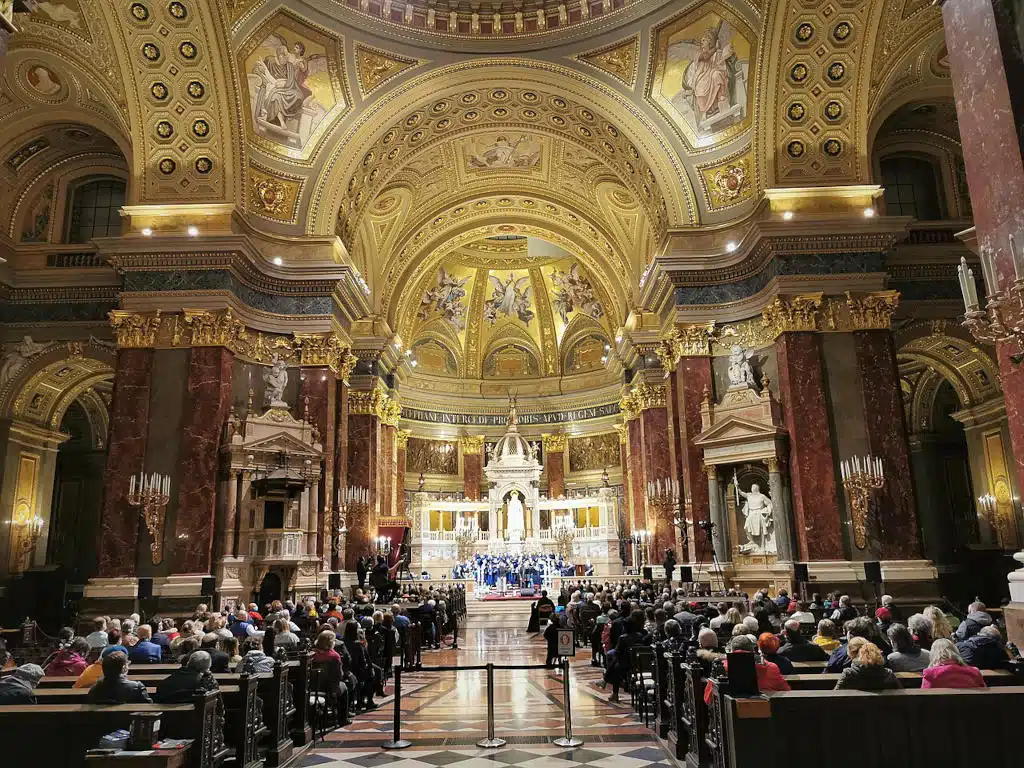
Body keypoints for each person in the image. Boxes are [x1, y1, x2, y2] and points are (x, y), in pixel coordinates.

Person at [703, 635, 790, 705]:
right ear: (753, 650)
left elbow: (708, 700)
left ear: (731, 651)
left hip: (730, 720)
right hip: (765, 717)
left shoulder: (721, 667)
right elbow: (786, 692)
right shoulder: (772, 667)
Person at [311, 630, 353, 726]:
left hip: (314, 687)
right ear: (331, 643)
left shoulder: (312, 654)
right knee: (345, 688)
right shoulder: (334, 656)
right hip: (330, 689)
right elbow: (339, 675)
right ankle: (343, 719)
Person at [833, 639, 901, 691]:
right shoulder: (888, 674)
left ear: (851, 654)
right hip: (884, 709)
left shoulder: (848, 674)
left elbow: (835, 696)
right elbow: (902, 695)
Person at [154, 650, 218, 703]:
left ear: (188, 662)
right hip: (195, 717)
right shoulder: (206, 683)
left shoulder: (165, 683)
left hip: (167, 717)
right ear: (207, 668)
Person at [87, 651, 151, 704]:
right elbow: (148, 707)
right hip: (130, 719)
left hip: (101, 719)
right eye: (127, 664)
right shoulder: (137, 687)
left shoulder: (95, 689)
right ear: (123, 668)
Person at [921, 639, 987, 689]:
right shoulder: (974, 671)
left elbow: (924, 696)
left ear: (933, 654)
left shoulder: (930, 674)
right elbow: (984, 690)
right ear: (955, 651)